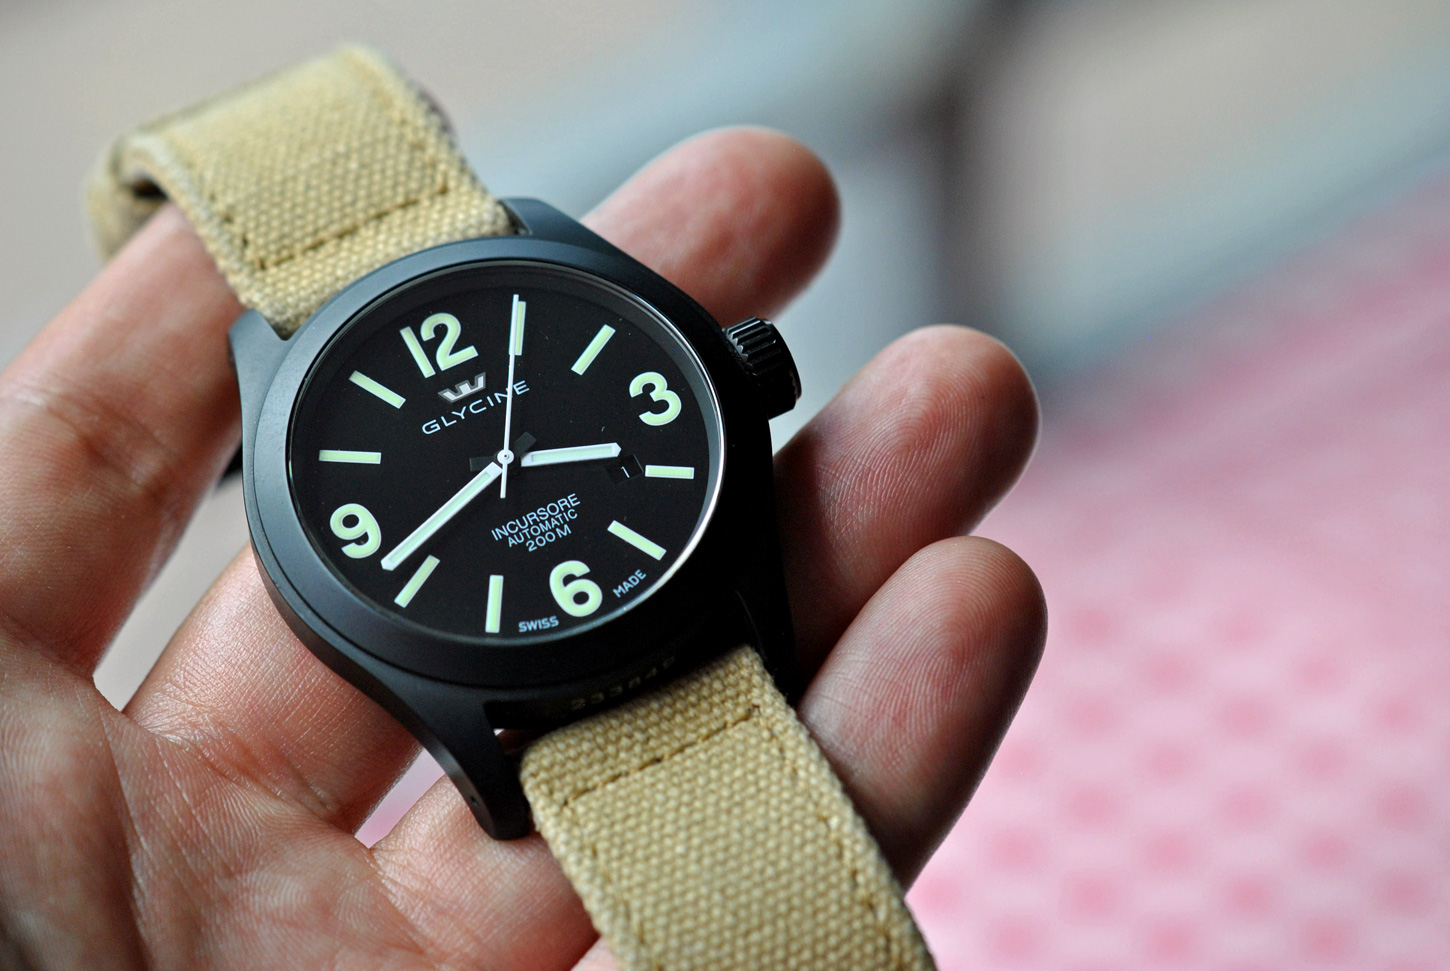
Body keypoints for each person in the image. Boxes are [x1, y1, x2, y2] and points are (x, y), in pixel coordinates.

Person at [0, 127, 1045, 969]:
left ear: (742, 371)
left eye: (510, 460)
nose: (504, 468)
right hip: (542, 690)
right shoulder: (325, 402)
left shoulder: (542, 258)